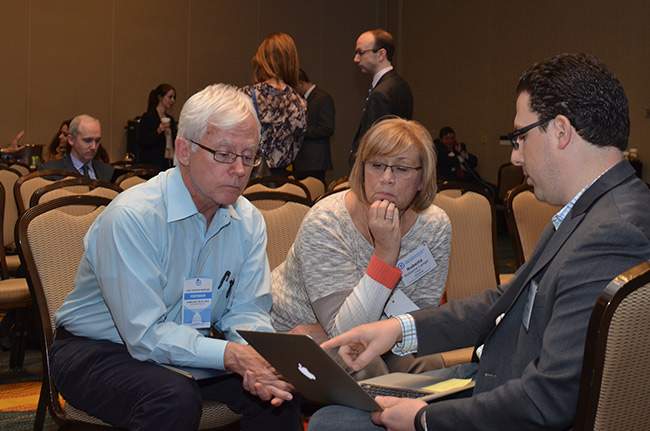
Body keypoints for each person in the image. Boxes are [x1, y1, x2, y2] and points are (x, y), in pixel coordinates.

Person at [308, 53, 650, 431]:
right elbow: (505, 302)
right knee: (346, 408)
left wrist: (424, 419)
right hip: (497, 380)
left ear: (561, 131)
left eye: (520, 136)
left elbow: (548, 399)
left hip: (510, 401)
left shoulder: (612, 234)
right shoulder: (599, 210)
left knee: (334, 421)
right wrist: (399, 329)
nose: (515, 157)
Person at [49, 84, 300, 431]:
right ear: (183, 150)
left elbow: (247, 311)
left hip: (187, 338)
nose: (240, 170)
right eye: (225, 154)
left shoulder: (249, 220)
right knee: (174, 397)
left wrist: (254, 358)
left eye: (249, 155)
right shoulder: (133, 217)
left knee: (280, 389)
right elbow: (145, 335)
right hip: (98, 348)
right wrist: (231, 356)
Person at [272, 117, 450, 378]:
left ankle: (417, 420)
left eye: (402, 169)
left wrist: (326, 331)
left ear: (422, 178)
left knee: (428, 366)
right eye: (377, 165)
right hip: (294, 339)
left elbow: (417, 322)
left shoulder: (434, 226)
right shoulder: (327, 221)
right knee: (366, 367)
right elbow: (344, 335)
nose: (387, 178)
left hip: (343, 332)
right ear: (362, 170)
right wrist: (385, 254)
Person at [241, 32, 307, 177]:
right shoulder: (299, 102)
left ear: (260, 60)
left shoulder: (245, 96)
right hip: (282, 179)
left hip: (249, 176)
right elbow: (296, 147)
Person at [350, 28, 413, 168]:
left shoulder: (381, 93)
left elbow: (376, 146)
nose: (356, 59)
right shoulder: (402, 85)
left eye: (360, 52)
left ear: (381, 54)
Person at [37, 115, 115, 182]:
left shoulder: (109, 172)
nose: (93, 147)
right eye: (87, 141)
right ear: (71, 140)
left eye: (97, 141)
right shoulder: (49, 171)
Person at [292, 68, 335, 182]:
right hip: (301, 161)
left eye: (294, 87)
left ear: (301, 82)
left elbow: (327, 128)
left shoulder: (322, 98)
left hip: (315, 161)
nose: (293, 91)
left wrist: (301, 132)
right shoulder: (301, 100)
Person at [434, 126, 496, 196]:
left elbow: (474, 162)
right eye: (447, 139)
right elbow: (445, 162)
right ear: (441, 139)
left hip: (469, 178)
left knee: (493, 189)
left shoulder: (459, 147)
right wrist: (458, 159)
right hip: (454, 181)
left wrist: (462, 153)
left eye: (452, 138)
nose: (450, 141)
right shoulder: (438, 150)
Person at [135, 83, 177, 170]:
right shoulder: (148, 117)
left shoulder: (171, 120)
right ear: (160, 97)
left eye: (174, 97)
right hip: (152, 163)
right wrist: (158, 131)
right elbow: (141, 142)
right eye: (170, 97)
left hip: (168, 161)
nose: (172, 100)